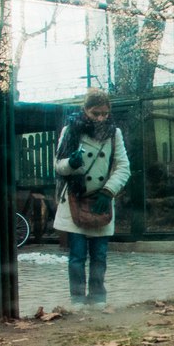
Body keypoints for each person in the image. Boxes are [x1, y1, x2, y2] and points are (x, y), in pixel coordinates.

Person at [53, 88, 131, 307]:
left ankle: (98, 297)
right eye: (96, 113)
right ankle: (77, 298)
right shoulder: (70, 130)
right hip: (75, 200)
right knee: (77, 255)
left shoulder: (114, 133)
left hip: (100, 200)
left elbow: (123, 167)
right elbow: (58, 165)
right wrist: (71, 163)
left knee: (100, 255)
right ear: (85, 110)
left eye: (105, 113)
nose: (100, 118)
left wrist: (108, 191)